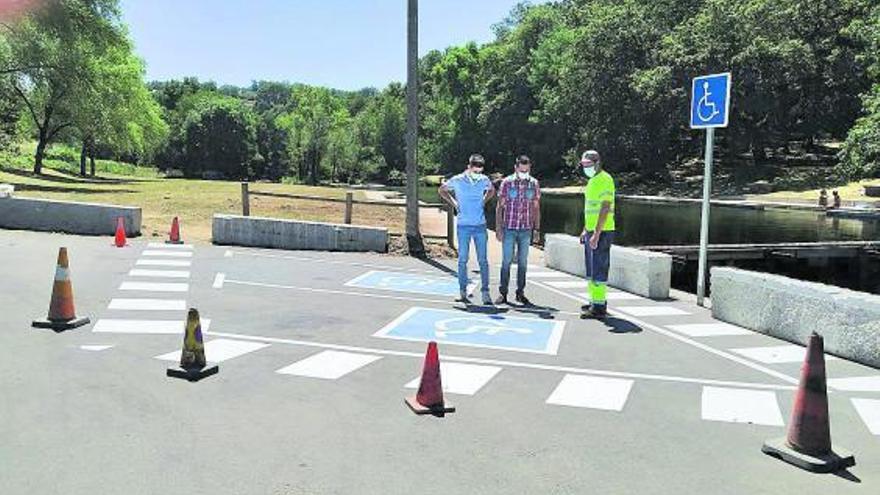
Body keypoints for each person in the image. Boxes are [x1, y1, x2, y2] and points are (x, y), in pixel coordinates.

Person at [439, 154, 496, 305]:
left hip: (480, 225)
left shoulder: (483, 180)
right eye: (475, 169)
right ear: (469, 166)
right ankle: (462, 291)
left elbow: (491, 190)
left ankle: (485, 293)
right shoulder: (457, 180)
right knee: (463, 259)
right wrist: (454, 203)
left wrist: (483, 201)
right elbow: (442, 190)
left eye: (480, 170)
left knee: (483, 260)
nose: (478, 173)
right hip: (463, 225)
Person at [495, 155, 541, 306]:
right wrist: (498, 228)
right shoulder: (507, 183)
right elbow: (500, 207)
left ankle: (520, 293)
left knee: (523, 263)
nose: (524, 173)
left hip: (526, 229)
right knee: (506, 262)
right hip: (509, 228)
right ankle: (503, 293)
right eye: (521, 170)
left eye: (526, 170)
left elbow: (536, 208)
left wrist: (537, 229)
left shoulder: (533, 184)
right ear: (516, 168)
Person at [579, 150, 615, 320]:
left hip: (602, 231)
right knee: (591, 269)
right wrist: (586, 229)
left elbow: (605, 208)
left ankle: (599, 306)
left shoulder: (605, 180)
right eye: (584, 165)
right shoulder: (592, 181)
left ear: (597, 163)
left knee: (599, 269)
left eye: (588, 165)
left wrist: (596, 234)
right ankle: (594, 301)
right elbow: (590, 209)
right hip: (592, 230)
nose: (585, 167)